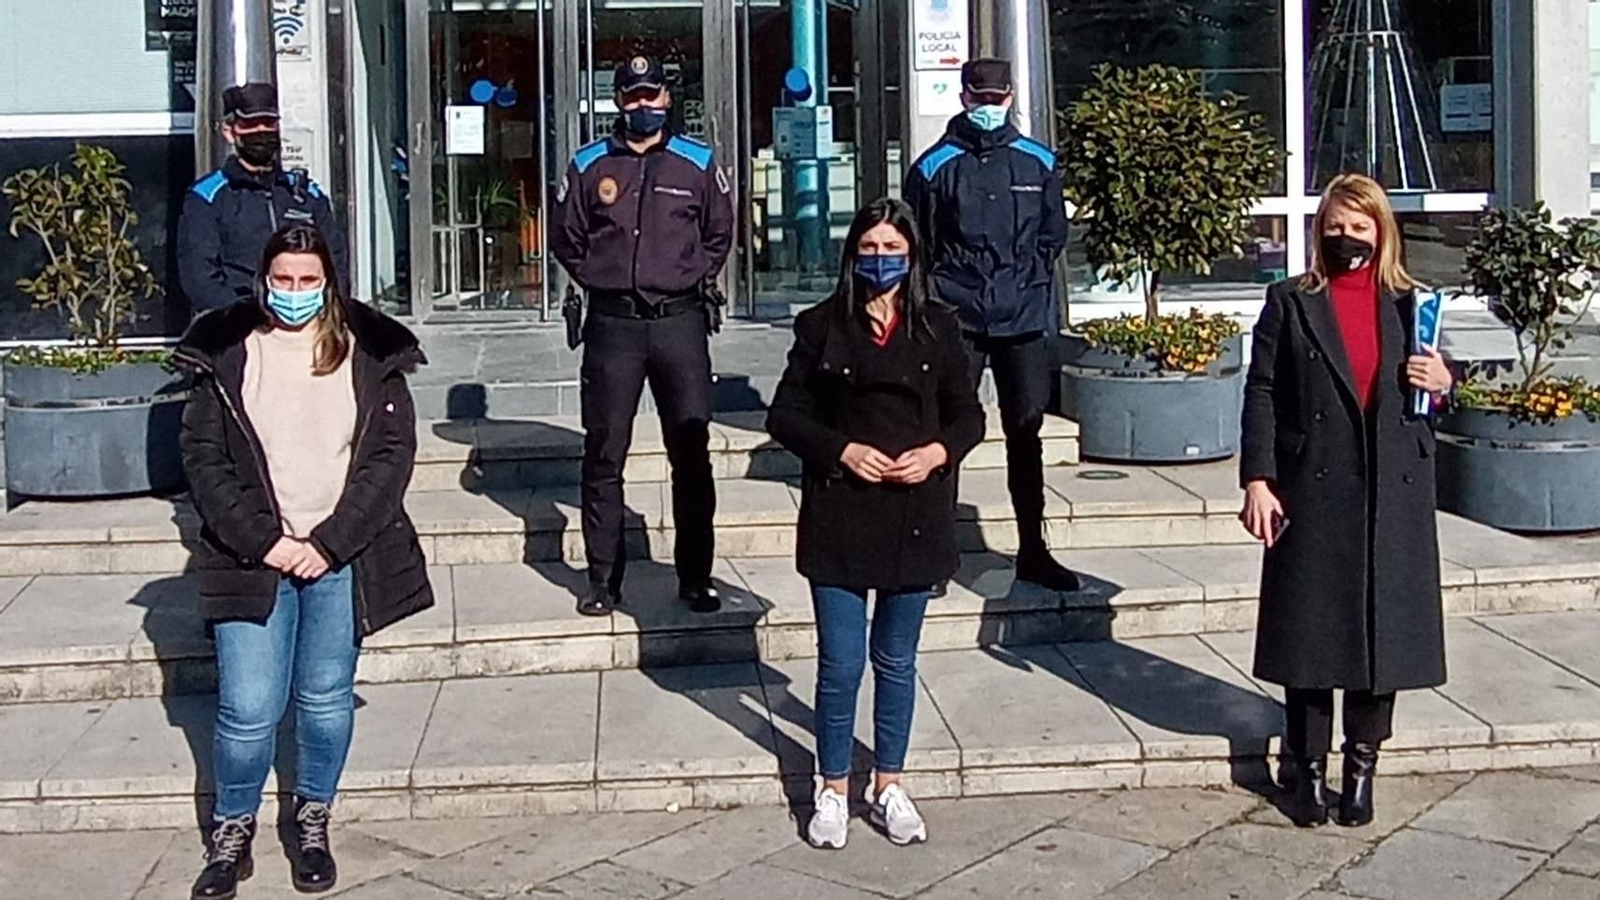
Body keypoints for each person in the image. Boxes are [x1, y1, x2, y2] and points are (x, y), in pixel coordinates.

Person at [175, 223, 431, 898]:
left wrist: (328, 544)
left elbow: (389, 460)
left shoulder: (368, 353)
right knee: (248, 707)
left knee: (323, 700)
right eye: (281, 280)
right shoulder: (228, 352)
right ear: (263, 280)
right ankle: (233, 829)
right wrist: (268, 541)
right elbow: (202, 460)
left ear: (328, 283)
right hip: (251, 555)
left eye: (306, 281)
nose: (293, 293)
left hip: (339, 557)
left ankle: (312, 816)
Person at [767, 199, 986, 849]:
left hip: (914, 513)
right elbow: (785, 415)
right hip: (840, 509)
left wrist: (939, 452)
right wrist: (842, 450)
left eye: (892, 249)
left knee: (896, 658)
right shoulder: (819, 326)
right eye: (868, 249)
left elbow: (967, 415)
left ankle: (889, 784)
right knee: (841, 662)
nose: (880, 260)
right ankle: (830, 787)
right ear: (851, 255)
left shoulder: (940, 328)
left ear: (913, 256)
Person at [1239, 173, 1454, 829]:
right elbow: (1263, 392)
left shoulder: (1410, 305)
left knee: (1377, 637)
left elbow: (1440, 393)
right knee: (1309, 636)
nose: (1346, 237)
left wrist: (1443, 382)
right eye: (1335, 225)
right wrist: (1258, 479)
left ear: (1382, 233)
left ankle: (1361, 767)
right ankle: (1304, 768)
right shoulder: (1292, 300)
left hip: (1392, 489)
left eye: (1359, 227)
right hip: (1313, 485)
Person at [552, 54, 734, 617]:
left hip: (679, 323)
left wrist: (686, 276)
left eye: (652, 95)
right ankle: (604, 580)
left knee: (692, 451)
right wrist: (603, 280)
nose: (643, 106)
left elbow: (719, 234)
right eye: (632, 97)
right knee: (604, 454)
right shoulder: (588, 165)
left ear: (667, 98)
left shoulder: (696, 163)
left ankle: (697, 577)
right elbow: (568, 238)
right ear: (618, 101)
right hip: (614, 326)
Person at [902, 57, 1077, 592]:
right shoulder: (933, 167)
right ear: (964, 98)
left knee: (1026, 434)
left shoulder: (1038, 162)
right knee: (946, 436)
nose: (988, 107)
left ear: (1010, 97)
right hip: (959, 320)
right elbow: (919, 245)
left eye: (997, 99)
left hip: (1021, 320)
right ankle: (935, 556)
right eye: (980, 99)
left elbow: (1053, 236)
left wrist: (1027, 282)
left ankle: (1033, 549)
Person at [179, 82, 349, 313]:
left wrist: (326, 313)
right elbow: (200, 277)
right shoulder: (206, 197)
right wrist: (245, 320)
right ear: (230, 132)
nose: (261, 131)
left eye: (269, 123)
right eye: (250, 124)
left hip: (309, 322)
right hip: (237, 325)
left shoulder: (308, 195)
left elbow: (335, 262)